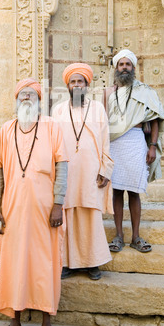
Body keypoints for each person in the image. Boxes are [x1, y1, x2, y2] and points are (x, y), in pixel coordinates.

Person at [0, 78, 68, 326]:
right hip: (12, 209)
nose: (26, 98)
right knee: (13, 263)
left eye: (30, 94)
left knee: (45, 263)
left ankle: (47, 323)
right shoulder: (6, 129)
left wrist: (58, 204)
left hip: (45, 210)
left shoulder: (52, 127)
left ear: (38, 100)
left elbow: (62, 166)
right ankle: (15, 322)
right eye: (22, 94)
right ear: (16, 100)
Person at [52, 63, 114, 281]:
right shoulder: (58, 110)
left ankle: (92, 262)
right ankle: (67, 263)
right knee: (67, 214)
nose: (76, 85)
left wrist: (105, 168)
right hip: (67, 171)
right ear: (67, 85)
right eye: (73, 82)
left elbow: (105, 139)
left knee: (90, 214)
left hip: (91, 171)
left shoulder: (97, 108)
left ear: (87, 84)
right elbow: (54, 143)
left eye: (80, 81)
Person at [103, 49, 164, 253]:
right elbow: (104, 120)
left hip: (136, 141)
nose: (124, 68)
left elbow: (154, 120)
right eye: (120, 65)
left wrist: (152, 146)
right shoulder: (108, 92)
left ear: (133, 68)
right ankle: (119, 236)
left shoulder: (145, 91)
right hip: (114, 144)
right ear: (116, 68)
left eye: (127, 64)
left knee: (134, 191)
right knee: (117, 191)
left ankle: (136, 236)